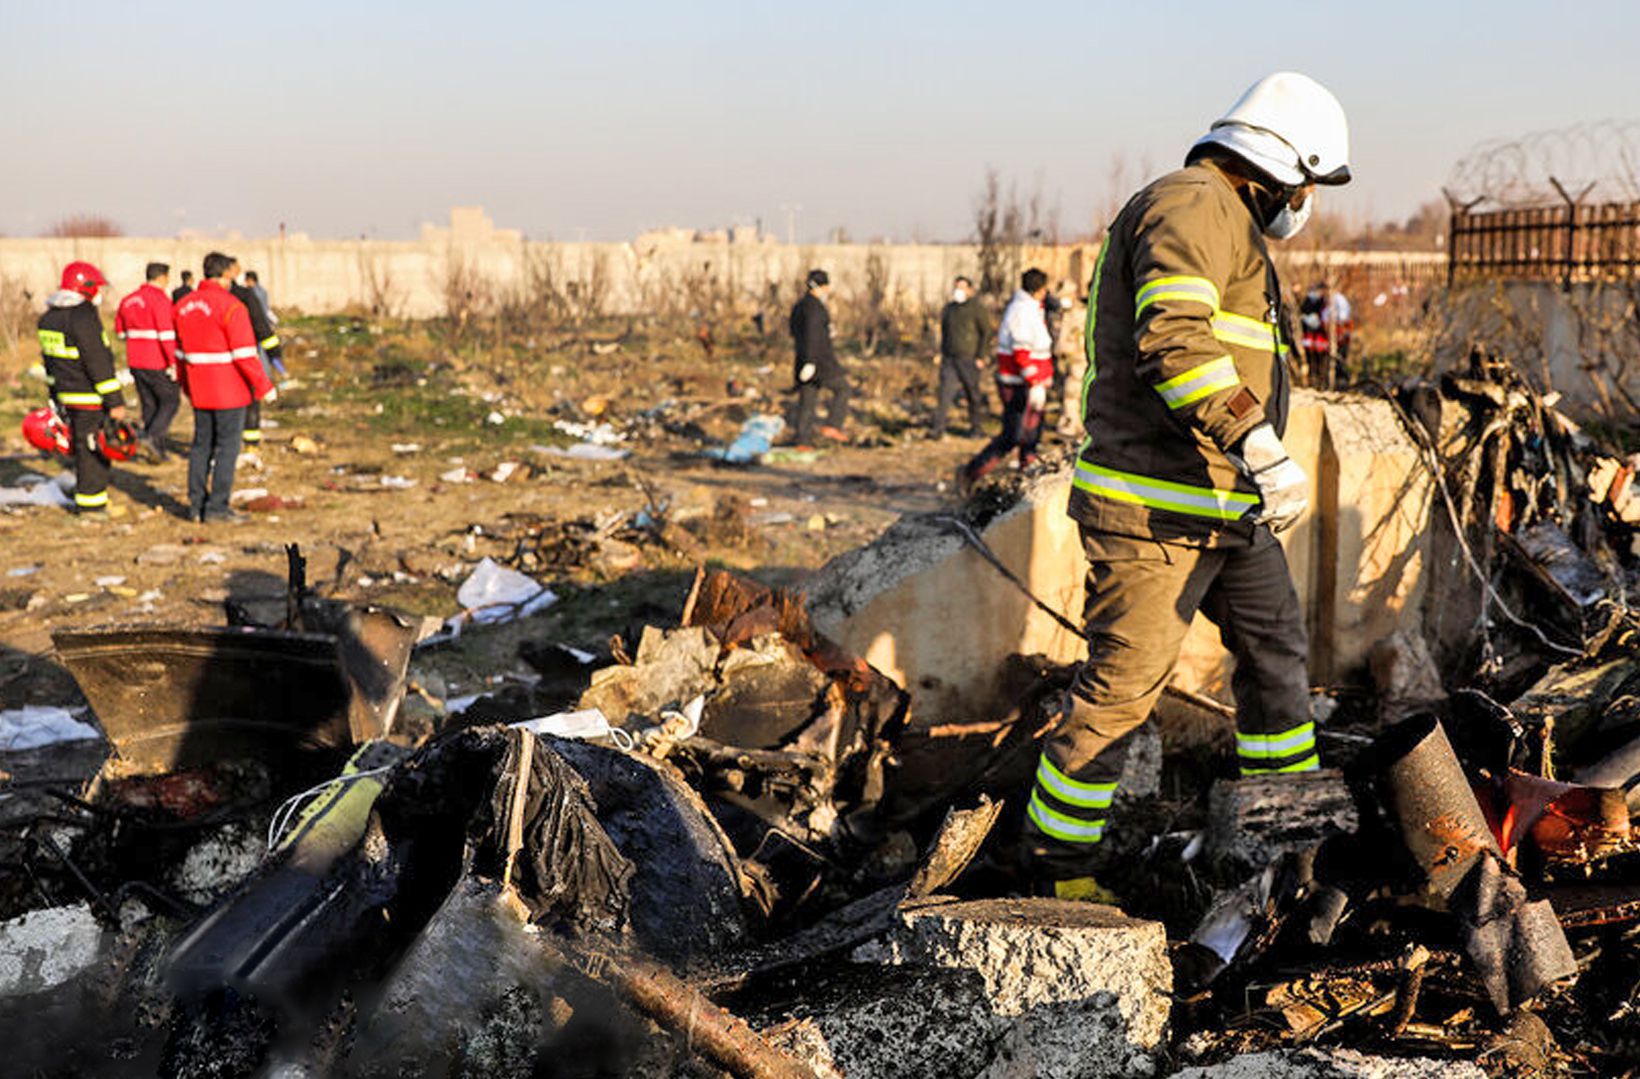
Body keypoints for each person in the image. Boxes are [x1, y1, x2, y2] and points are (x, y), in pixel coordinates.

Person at [1023, 72, 1351, 901]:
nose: (1306, 202)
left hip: (1226, 508)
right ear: (1280, 165)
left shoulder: (1230, 223)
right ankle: (1059, 876)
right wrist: (1258, 441)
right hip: (1155, 511)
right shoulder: (1193, 203)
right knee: (1120, 694)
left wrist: (1251, 464)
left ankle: (1280, 836)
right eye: (1309, 183)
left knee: (1277, 659)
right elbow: (1173, 338)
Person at [174, 252, 276, 522]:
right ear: (225, 275)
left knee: (201, 446)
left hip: (199, 388)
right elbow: (245, 354)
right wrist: (264, 386)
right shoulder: (232, 307)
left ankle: (196, 505)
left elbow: (179, 354)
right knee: (227, 449)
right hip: (229, 391)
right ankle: (217, 508)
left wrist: (186, 387)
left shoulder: (183, 306)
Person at [37, 261, 127, 517]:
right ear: (85, 287)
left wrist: (55, 397)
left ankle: (89, 499)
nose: (98, 293)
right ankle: (92, 506)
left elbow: (49, 362)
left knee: (81, 448)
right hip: (90, 397)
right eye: (96, 287)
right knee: (93, 452)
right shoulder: (83, 315)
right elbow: (97, 361)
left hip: (66, 395)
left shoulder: (48, 318)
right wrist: (114, 401)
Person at [960, 267, 1053, 487]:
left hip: (1029, 382)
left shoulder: (1032, 309)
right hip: (1018, 383)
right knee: (1014, 435)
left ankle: (1028, 479)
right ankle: (970, 474)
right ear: (1039, 290)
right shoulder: (1022, 311)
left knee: (1031, 436)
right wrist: (1035, 382)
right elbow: (1021, 352)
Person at [115, 262, 181, 459]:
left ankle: (157, 452)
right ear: (162, 277)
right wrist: (173, 362)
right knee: (170, 401)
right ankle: (150, 437)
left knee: (149, 405)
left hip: (135, 360)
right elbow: (166, 335)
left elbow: (120, 332)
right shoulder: (160, 300)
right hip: (157, 361)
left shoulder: (128, 300)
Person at [789, 269, 850, 445]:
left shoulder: (799, 306)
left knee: (807, 400)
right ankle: (833, 425)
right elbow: (813, 335)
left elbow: (794, 331)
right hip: (819, 362)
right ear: (822, 287)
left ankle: (802, 440)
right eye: (826, 286)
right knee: (843, 389)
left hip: (803, 360)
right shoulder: (815, 308)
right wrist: (811, 361)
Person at [931, 275, 991, 438]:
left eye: (962, 287)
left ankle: (976, 428)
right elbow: (944, 332)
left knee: (973, 394)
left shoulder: (976, 309)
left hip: (969, 358)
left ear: (970, 290)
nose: (958, 291)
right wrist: (941, 352)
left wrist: (981, 355)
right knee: (945, 393)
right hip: (949, 358)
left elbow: (986, 332)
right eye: (957, 287)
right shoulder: (949, 309)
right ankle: (938, 428)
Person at [229, 270, 284, 446]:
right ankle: (250, 445)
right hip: (250, 349)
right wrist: (275, 352)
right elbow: (261, 322)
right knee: (251, 397)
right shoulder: (248, 295)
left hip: (224, 362)